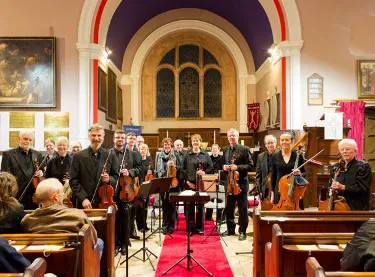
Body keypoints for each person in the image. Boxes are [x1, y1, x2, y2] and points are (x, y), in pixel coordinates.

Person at [21, 178, 104, 259]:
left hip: (42, 262)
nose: (63, 195)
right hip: (73, 264)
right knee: (99, 242)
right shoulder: (77, 215)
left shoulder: (28, 220)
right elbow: (93, 238)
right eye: (62, 193)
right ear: (55, 197)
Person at [108, 130, 142, 255]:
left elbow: (139, 169)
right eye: (118, 137)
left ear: (125, 140)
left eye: (122, 138)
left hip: (127, 190)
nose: (120, 140)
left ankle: (124, 243)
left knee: (126, 218)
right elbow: (106, 172)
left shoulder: (132, 154)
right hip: (113, 191)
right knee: (115, 218)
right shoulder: (109, 153)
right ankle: (116, 244)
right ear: (114, 139)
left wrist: (130, 172)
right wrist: (113, 179)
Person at [222, 128, 253, 241]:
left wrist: (238, 167)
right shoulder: (225, 149)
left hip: (241, 184)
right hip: (230, 184)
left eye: (233, 136)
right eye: (230, 136)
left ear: (238, 137)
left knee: (242, 208)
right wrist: (224, 167)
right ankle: (230, 229)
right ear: (227, 137)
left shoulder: (244, 149)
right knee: (229, 207)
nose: (231, 138)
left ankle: (242, 231)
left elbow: (250, 165)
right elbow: (222, 165)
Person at [69, 123, 111, 209]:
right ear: (89, 136)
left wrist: (109, 179)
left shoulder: (109, 154)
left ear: (103, 137)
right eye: (93, 135)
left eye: (99, 135)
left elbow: (115, 176)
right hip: (84, 203)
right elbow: (73, 180)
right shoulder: (78, 156)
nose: (96, 138)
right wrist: (83, 198)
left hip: (103, 201)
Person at [1, 130, 44, 210]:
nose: (27, 141)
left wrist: (42, 172)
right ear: (19, 139)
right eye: (25, 139)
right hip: (15, 195)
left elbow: (42, 170)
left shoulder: (38, 154)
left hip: (33, 195)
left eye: (30, 140)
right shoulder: (8, 154)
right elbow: (5, 176)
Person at [182, 134, 213, 235]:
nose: (195, 142)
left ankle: (200, 228)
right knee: (190, 206)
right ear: (191, 142)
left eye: (197, 140)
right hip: (189, 183)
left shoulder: (205, 154)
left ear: (200, 142)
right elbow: (183, 169)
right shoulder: (186, 154)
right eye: (194, 140)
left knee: (200, 206)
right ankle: (190, 228)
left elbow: (211, 168)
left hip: (201, 183)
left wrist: (204, 172)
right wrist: (187, 182)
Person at [330, 138, 372, 211]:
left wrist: (343, 187)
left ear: (355, 151)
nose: (344, 152)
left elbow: (362, 188)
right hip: (339, 207)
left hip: (357, 207)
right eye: (342, 150)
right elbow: (330, 184)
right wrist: (332, 191)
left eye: (348, 149)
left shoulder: (363, 166)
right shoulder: (336, 167)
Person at [270, 132, 305, 207]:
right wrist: (272, 193)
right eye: (282, 140)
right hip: (280, 190)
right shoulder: (275, 156)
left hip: (294, 188)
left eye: (286, 140)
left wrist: (299, 174)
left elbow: (304, 173)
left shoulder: (298, 156)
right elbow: (273, 176)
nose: (284, 142)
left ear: (291, 142)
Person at [155, 138, 180, 234]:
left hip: (173, 183)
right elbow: (156, 169)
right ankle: (165, 225)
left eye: (168, 144)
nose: (167, 146)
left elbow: (180, 168)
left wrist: (174, 165)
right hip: (162, 182)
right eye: (165, 144)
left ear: (171, 145)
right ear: (163, 145)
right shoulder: (158, 155)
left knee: (172, 206)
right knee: (164, 205)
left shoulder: (175, 155)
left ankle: (171, 226)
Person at [136, 143, 153, 232]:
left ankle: (144, 224)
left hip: (147, 186)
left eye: (145, 149)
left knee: (145, 207)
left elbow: (153, 172)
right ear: (139, 150)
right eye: (141, 149)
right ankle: (139, 226)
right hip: (138, 185)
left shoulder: (149, 161)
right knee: (139, 206)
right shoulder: (137, 161)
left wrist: (151, 172)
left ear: (147, 151)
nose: (143, 151)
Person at [256, 135, 277, 201]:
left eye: (272, 142)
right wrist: (259, 190)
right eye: (268, 143)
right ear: (265, 145)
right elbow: (258, 175)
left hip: (277, 188)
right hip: (265, 189)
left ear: (275, 143)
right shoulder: (260, 156)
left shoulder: (280, 155)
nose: (270, 145)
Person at [205, 143, 223, 221]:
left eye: (216, 149)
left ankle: (219, 218)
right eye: (213, 149)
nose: (214, 150)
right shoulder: (208, 158)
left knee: (220, 199)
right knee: (210, 198)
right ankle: (208, 217)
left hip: (220, 181)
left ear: (219, 150)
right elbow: (206, 169)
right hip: (210, 181)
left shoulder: (222, 158)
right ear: (211, 150)